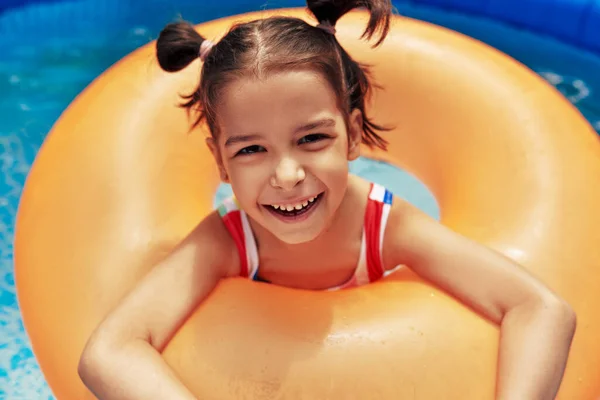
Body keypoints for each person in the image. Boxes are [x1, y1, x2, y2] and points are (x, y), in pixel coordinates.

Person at [77, 0, 576, 399]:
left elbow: (541, 309)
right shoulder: (226, 241)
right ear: (221, 163)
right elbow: (110, 352)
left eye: (312, 139)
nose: (288, 175)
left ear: (352, 135)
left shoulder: (385, 226)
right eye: (251, 149)